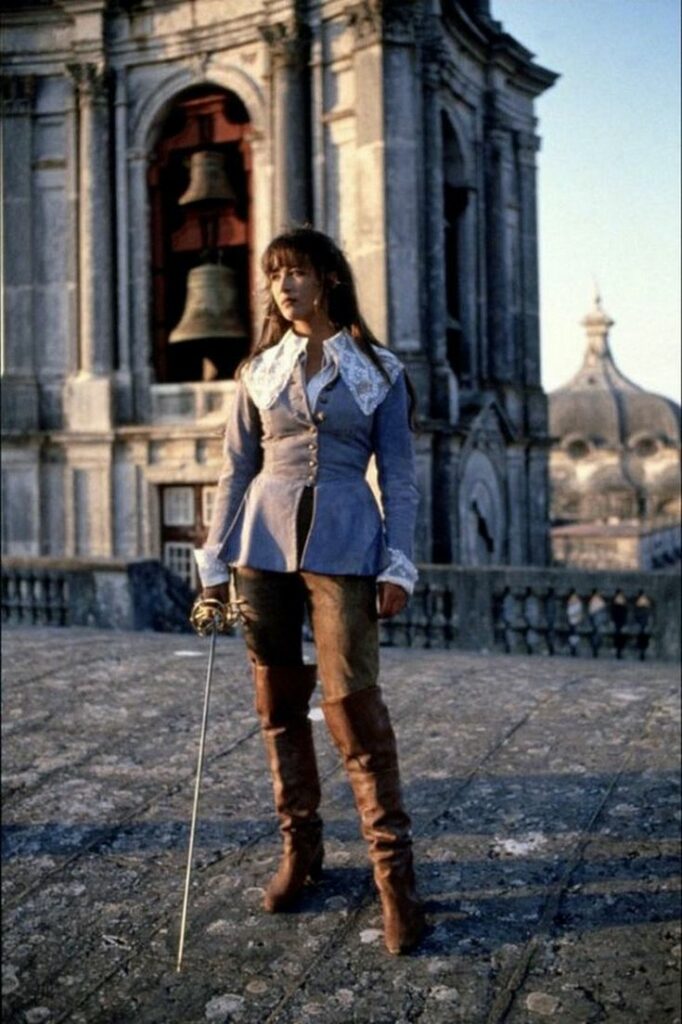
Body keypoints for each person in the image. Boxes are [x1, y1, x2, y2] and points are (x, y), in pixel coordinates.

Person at [194, 226, 425, 955]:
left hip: (349, 548)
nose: (284, 285)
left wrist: (398, 564)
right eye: (274, 275)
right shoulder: (258, 370)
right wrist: (213, 562)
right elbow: (236, 469)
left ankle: (396, 884)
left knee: (355, 709)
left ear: (328, 278)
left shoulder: (379, 370)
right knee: (277, 706)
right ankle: (302, 850)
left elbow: (401, 477)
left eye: (296, 271)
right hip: (260, 550)